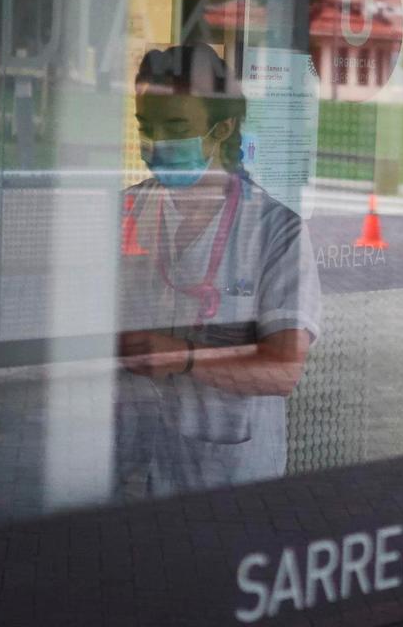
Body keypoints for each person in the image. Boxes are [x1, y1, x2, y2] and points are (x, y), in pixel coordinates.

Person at [116, 43, 321, 497]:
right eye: (145, 127)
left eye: (175, 127)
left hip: (223, 477)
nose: (156, 144)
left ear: (221, 127)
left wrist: (185, 357)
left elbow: (283, 371)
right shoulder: (126, 211)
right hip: (129, 469)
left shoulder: (275, 231)